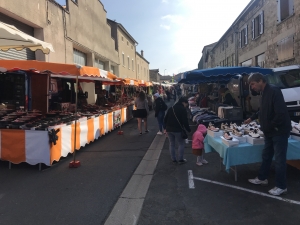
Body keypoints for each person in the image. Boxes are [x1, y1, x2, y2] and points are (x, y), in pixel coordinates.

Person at [245, 73, 291, 196]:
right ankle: (262, 178)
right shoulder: (263, 93)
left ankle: (281, 186)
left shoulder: (274, 91)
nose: (252, 87)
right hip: (269, 132)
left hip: (278, 131)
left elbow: (280, 113)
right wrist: (252, 117)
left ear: (260, 81)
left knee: (280, 160)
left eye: (253, 84)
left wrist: (270, 125)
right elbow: (263, 110)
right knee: (266, 155)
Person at [164, 97, 191, 164]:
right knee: (181, 143)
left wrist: (165, 128)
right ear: (183, 103)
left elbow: (165, 119)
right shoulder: (183, 109)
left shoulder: (171, 108)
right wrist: (188, 130)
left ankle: (173, 159)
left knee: (172, 144)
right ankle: (180, 159)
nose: (186, 105)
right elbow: (185, 121)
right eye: (186, 104)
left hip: (169, 129)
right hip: (178, 129)